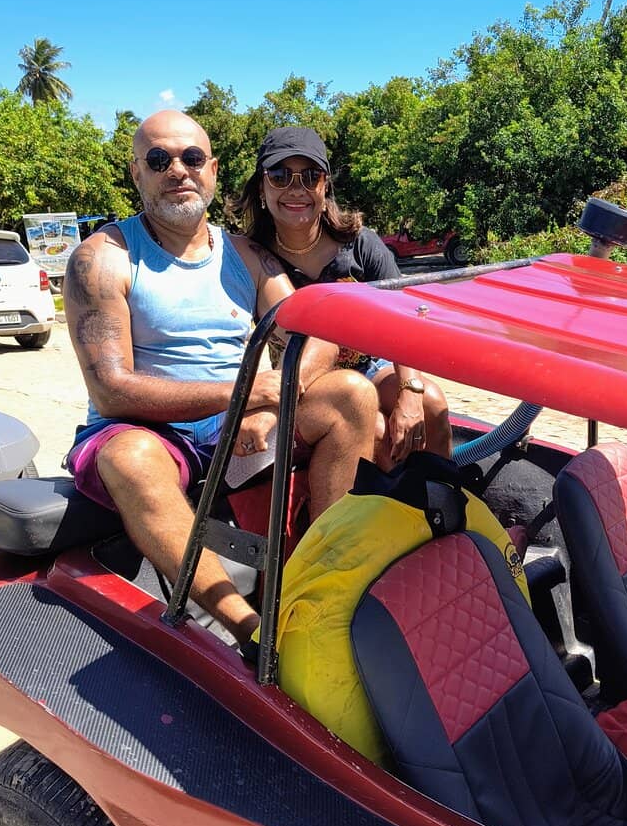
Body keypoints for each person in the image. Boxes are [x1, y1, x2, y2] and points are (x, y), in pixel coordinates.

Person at [63, 110, 378, 647]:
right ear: (136, 173)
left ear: (212, 169)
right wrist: (246, 394)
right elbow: (112, 390)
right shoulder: (101, 258)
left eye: (191, 158)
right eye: (159, 160)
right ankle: (250, 628)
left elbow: (316, 329)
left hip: (234, 424)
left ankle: (326, 582)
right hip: (149, 432)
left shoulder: (246, 256)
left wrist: (273, 401)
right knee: (130, 458)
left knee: (351, 395)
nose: (177, 171)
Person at [236, 126, 452, 469]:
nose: (297, 189)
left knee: (433, 404)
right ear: (261, 187)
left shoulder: (362, 245)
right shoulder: (252, 257)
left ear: (325, 186)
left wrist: (411, 391)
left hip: (368, 365)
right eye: (280, 176)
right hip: (301, 380)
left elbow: (405, 318)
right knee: (379, 431)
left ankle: (436, 505)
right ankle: (372, 515)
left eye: (310, 176)